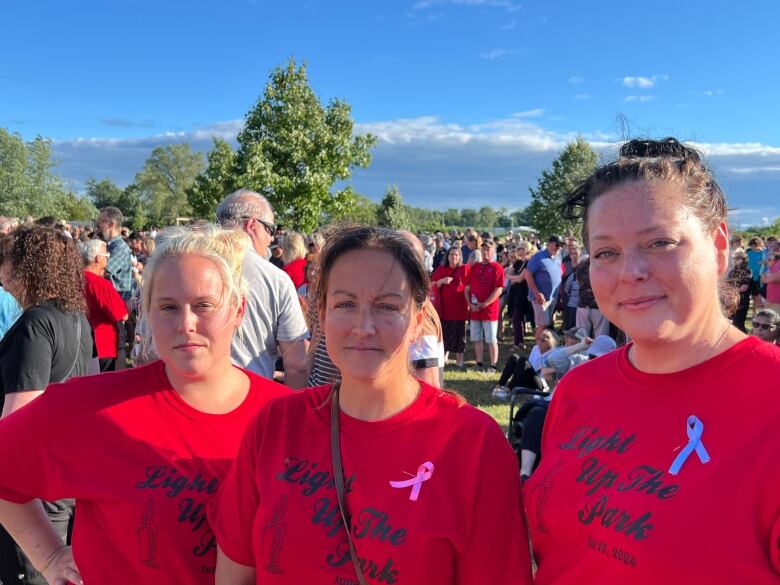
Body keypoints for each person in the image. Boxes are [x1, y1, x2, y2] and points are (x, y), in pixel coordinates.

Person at [210, 225, 533, 585]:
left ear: (417, 319)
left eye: (387, 306)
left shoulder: (473, 444)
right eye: (346, 304)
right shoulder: (276, 425)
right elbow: (236, 571)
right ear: (321, 313)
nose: (363, 327)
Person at [524, 138, 780, 583]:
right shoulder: (580, 389)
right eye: (606, 252)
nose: (630, 272)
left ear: (719, 247)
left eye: (660, 242)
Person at [0, 226, 291, 585]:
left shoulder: (291, 417)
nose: (186, 324)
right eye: (168, 307)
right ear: (147, 312)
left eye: (204, 305)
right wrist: (50, 556)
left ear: (238, 309)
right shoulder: (93, 405)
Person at [0, 226, 96, 584]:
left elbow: (16, 424)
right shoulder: (79, 321)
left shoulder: (35, 323)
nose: (2, 277)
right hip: (63, 480)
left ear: (26, 267)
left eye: (6, 263)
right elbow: (93, 388)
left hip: (28, 491)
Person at [216, 189, 309, 388]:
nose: (271, 239)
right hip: (252, 400)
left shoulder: (180, 266)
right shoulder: (275, 278)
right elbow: (297, 364)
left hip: (185, 401)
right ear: (252, 225)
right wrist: (290, 414)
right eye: (270, 229)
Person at [81, 238, 129, 372]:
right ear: (98, 259)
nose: (108, 259)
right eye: (106, 256)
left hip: (79, 344)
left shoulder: (74, 279)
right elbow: (122, 315)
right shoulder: (100, 284)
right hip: (102, 345)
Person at [464, 239, 504, 372]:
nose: (485, 252)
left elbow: (498, 289)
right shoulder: (475, 267)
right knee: (476, 337)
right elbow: (467, 287)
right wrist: (470, 303)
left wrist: (484, 303)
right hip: (475, 308)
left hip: (489, 310)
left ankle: (493, 365)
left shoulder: (497, 267)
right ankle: (479, 363)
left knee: (491, 338)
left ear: (493, 251)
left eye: (488, 249)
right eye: (483, 249)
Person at [431, 246, 470, 368]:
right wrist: (442, 281)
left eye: (456, 255)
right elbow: (432, 285)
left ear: (460, 257)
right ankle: (443, 357)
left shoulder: (465, 269)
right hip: (445, 309)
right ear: (447, 256)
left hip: (460, 309)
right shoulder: (442, 269)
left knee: (460, 335)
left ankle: (460, 360)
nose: (453, 257)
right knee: (445, 334)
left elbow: (469, 286)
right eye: (451, 254)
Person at [525, 235, 563, 336]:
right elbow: (528, 274)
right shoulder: (538, 257)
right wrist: (537, 293)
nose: (559, 248)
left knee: (548, 325)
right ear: (549, 244)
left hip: (552, 298)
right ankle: (538, 349)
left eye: (560, 246)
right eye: (557, 245)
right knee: (542, 326)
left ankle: (546, 348)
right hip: (540, 298)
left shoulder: (557, 258)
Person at [727, 250, 752, 332]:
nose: (735, 260)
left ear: (742, 260)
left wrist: (731, 290)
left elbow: (744, 287)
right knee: (730, 323)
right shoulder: (733, 270)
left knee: (739, 324)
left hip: (742, 301)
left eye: (737, 259)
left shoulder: (746, 271)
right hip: (732, 300)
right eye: (734, 259)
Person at [761, 241, 780, 313]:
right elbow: (764, 278)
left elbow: (767, 278)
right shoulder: (774, 261)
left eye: (773, 247)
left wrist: (768, 276)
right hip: (770, 299)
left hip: (777, 301)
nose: (770, 249)